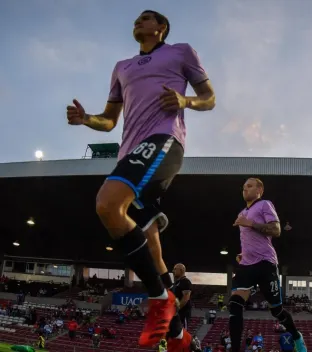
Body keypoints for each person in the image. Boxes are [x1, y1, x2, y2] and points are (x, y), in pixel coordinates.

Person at [66, 9, 215, 347]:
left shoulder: (181, 52)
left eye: (147, 18)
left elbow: (209, 98)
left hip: (164, 142)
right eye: (136, 18)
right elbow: (109, 119)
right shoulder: (122, 67)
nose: (138, 21)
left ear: (161, 28)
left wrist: (184, 100)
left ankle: (159, 298)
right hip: (130, 155)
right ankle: (179, 337)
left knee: (107, 203)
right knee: (153, 249)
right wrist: (85, 118)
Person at [229, 178, 307, 352]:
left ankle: (297, 337)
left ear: (260, 190)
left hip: (266, 263)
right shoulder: (242, 212)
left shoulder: (265, 204)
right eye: (243, 188)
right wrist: (243, 254)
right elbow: (248, 239)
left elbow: (276, 230)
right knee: (234, 303)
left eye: (249, 186)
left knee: (276, 311)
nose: (245, 190)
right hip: (247, 265)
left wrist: (251, 223)